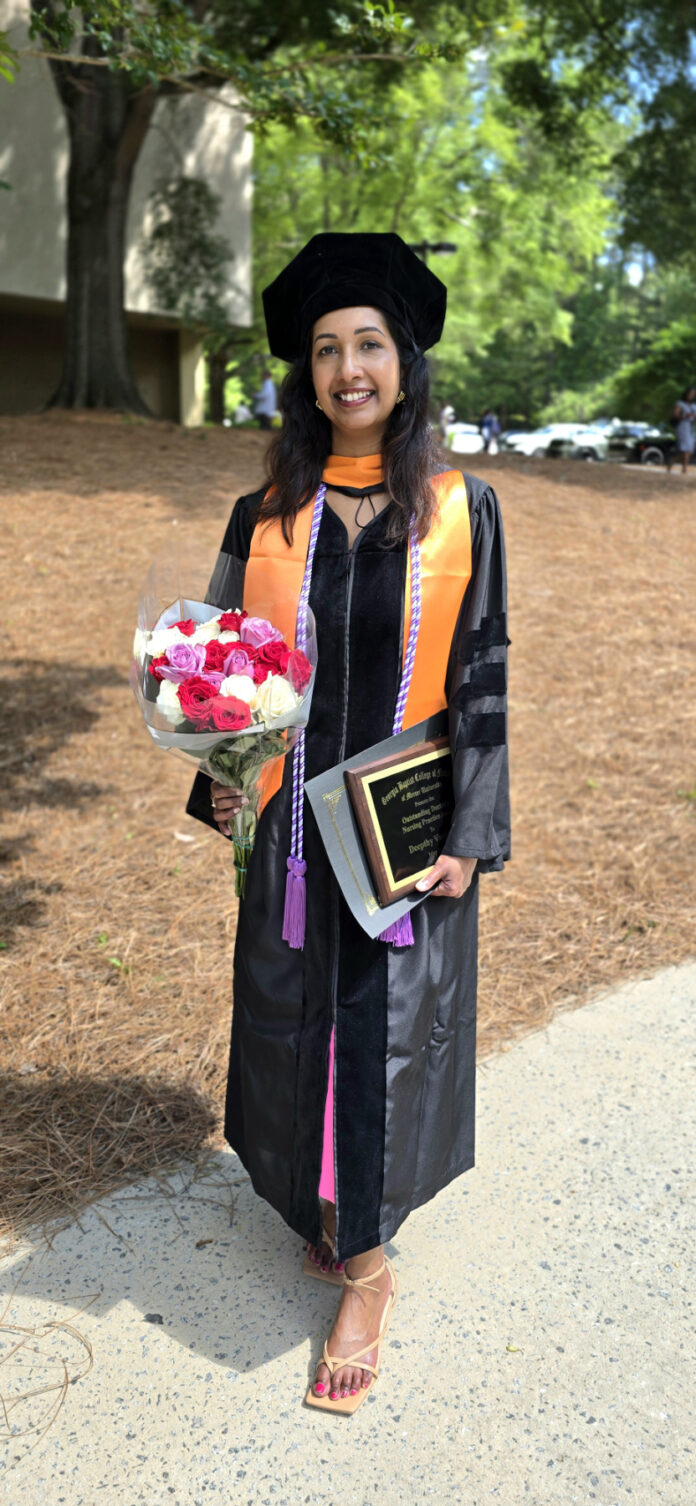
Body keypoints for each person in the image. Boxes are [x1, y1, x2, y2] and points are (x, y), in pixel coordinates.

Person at [186, 233, 510, 1414]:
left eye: (368, 342)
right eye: (326, 349)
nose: (347, 367)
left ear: (404, 362)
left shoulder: (461, 510)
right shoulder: (265, 510)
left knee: (378, 1040)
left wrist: (472, 832)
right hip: (288, 830)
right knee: (295, 1026)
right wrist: (220, 773)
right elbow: (215, 663)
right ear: (306, 375)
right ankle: (323, 1205)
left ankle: (366, 1268)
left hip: (400, 835)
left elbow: (482, 677)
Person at [670, 386, 696, 474]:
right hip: (682, 427)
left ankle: (672, 461)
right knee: (684, 449)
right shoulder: (680, 403)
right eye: (690, 394)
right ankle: (684, 469)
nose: (691, 396)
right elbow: (675, 415)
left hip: (690, 428)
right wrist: (685, 416)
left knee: (689, 449)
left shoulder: (693, 406)